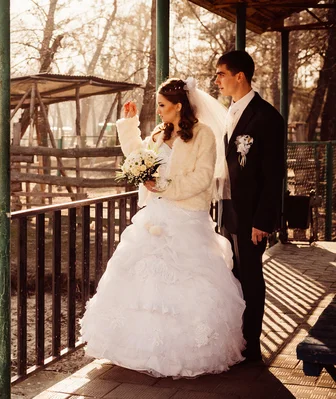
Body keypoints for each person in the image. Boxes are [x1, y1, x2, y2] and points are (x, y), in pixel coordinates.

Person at [80, 78, 246, 378]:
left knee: (185, 283)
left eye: (161, 105)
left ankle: (185, 353)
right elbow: (137, 157)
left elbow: (202, 178)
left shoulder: (203, 135)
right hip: (155, 215)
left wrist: (164, 186)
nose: (158, 111)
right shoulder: (159, 133)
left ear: (178, 106)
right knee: (141, 279)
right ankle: (136, 351)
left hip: (186, 217)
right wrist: (128, 124)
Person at [215, 50, 285, 363]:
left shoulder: (268, 117)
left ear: (239, 76)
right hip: (225, 208)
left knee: (252, 277)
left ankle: (252, 345)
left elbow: (274, 175)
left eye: (221, 74)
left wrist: (262, 220)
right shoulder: (226, 112)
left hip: (251, 215)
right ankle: (235, 338)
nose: (217, 80)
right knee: (231, 274)